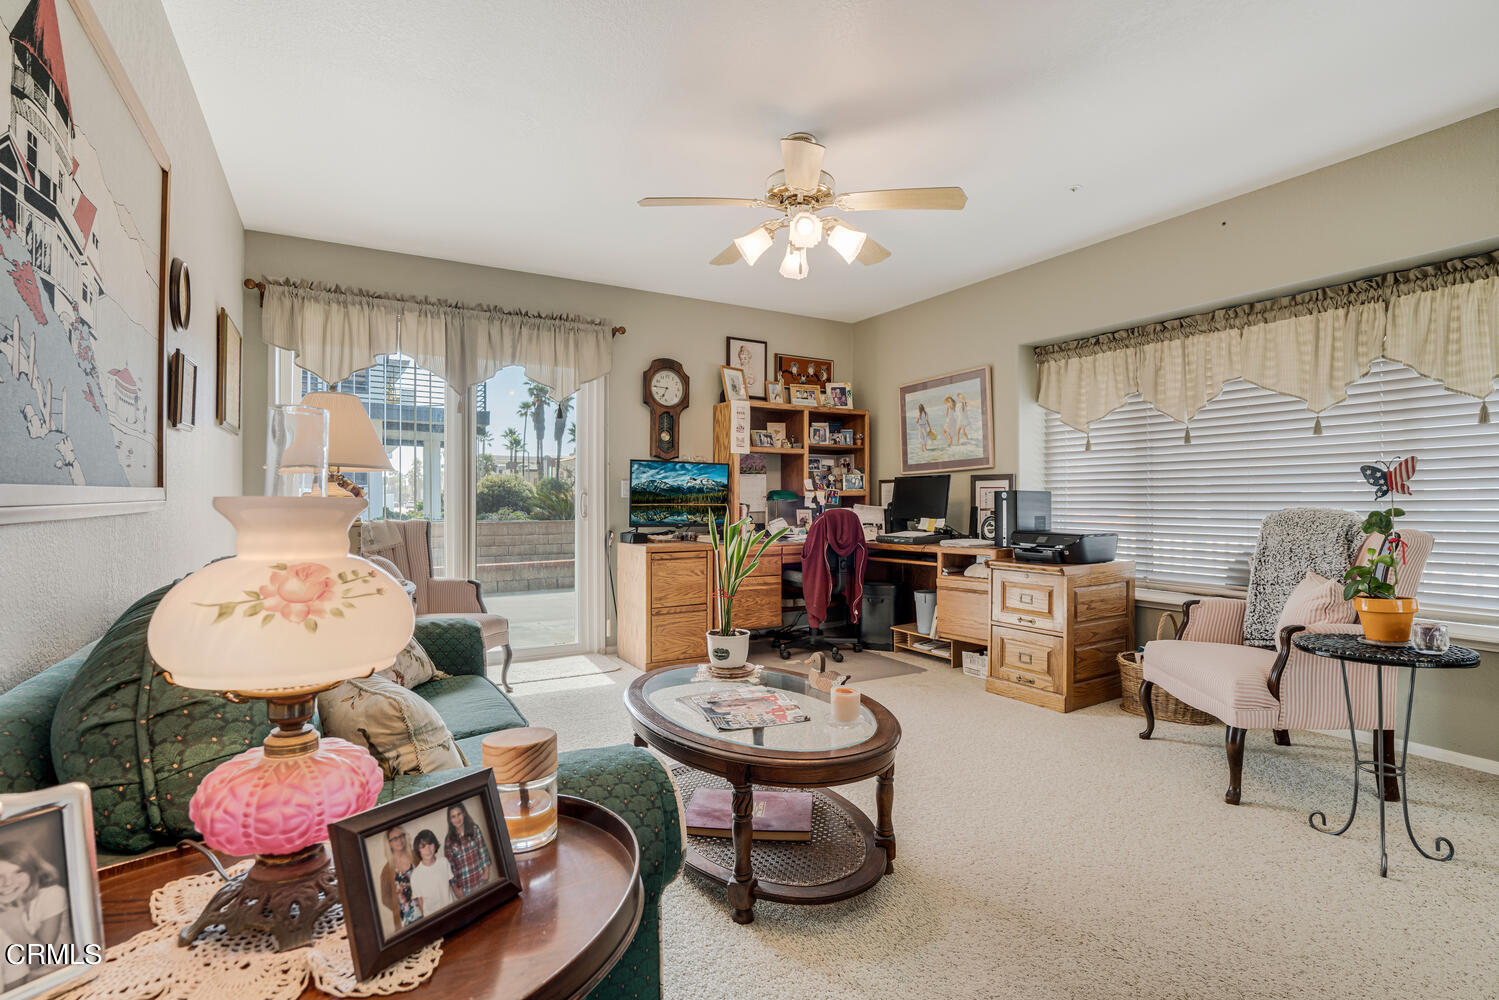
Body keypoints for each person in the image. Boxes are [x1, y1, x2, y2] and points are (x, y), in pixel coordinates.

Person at [0, 841, 72, 984]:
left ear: (33, 871)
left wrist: (13, 926)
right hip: (17, 979)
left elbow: (38, 961)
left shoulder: (52, 894)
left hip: (57, 975)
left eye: (18, 872)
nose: (8, 882)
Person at [443, 802, 494, 899]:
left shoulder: (474, 829)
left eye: (459, 814)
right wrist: (456, 890)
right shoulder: (449, 840)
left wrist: (486, 872)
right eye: (453, 817)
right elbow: (450, 868)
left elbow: (482, 850)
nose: (457, 819)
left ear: (464, 814)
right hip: (464, 888)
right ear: (450, 820)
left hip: (481, 880)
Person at [377, 826, 420, 931]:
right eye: (394, 839)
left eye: (401, 836)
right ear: (389, 844)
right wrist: (399, 908)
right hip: (404, 917)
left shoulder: (416, 857)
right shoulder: (387, 870)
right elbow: (385, 898)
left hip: (424, 909)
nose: (399, 840)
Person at [407, 829, 456, 916]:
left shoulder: (444, 862)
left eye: (430, 844)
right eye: (423, 847)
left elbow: (452, 884)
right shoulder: (415, 875)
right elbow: (420, 901)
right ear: (418, 850)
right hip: (432, 916)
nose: (428, 849)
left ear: (435, 844)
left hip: (451, 910)